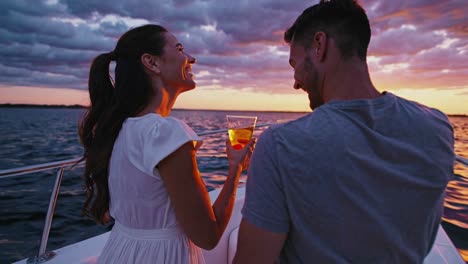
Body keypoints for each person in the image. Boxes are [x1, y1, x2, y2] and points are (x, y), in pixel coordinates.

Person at [233, 0, 455, 263]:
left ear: (319, 45)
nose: (295, 83)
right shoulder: (437, 128)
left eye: (295, 66)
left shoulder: (280, 145)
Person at [78, 24, 255, 264]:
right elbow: (208, 237)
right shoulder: (165, 133)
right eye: (180, 48)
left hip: (118, 251)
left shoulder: (119, 128)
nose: (191, 58)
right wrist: (235, 169)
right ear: (152, 63)